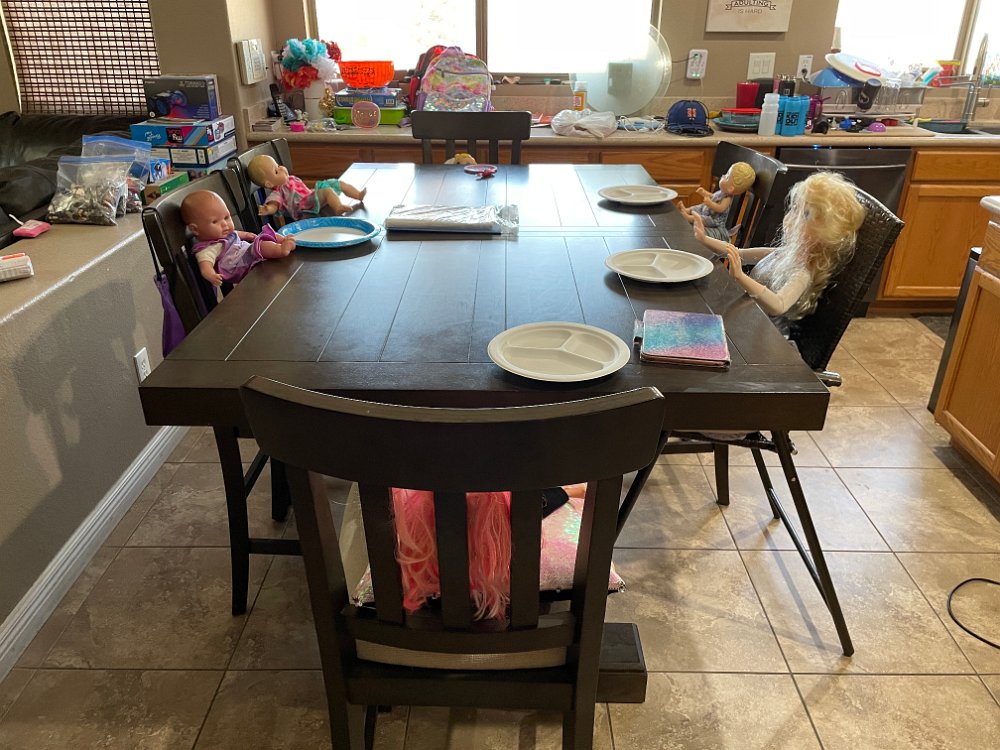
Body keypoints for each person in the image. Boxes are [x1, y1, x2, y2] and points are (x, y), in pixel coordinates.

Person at [691, 170, 866, 334]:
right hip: (748, 318)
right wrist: (704, 239)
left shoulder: (802, 272)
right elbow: (739, 253)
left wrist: (741, 277)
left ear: (824, 234)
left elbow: (778, 305)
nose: (790, 218)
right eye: (794, 208)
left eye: (805, 215)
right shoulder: (782, 254)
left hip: (765, 336)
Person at [180, 189, 296, 287]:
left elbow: (236, 234)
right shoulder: (207, 249)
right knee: (261, 246)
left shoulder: (223, 233)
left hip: (244, 254)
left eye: (226, 217)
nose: (224, 224)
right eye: (215, 221)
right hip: (239, 267)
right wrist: (211, 275)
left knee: (266, 236)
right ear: (195, 229)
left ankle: (283, 241)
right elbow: (205, 267)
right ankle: (281, 249)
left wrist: (247, 235)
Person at [247, 154, 366, 220]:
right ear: (269, 184)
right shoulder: (278, 192)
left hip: (310, 196)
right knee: (328, 191)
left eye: (278, 165)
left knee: (336, 183)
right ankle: (338, 207)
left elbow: (303, 190)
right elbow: (275, 204)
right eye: (276, 171)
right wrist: (268, 209)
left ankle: (358, 195)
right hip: (304, 207)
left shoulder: (290, 179)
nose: (282, 168)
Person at [677, 161, 756, 241]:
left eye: (726, 176)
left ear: (730, 188)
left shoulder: (727, 198)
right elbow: (713, 196)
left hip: (714, 220)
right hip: (709, 212)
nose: (723, 176)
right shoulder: (722, 192)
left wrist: (710, 204)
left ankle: (688, 218)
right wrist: (704, 193)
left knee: (701, 218)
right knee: (698, 207)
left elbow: (720, 208)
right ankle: (686, 210)